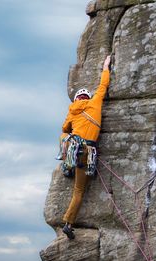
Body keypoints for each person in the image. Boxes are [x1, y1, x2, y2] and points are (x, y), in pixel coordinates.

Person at [58, 55, 111, 239]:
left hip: (73, 149)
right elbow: (103, 85)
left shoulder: (72, 110)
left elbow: (65, 129)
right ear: (87, 97)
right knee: (79, 191)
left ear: (76, 99)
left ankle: (66, 164)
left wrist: (72, 125)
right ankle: (68, 223)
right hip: (88, 153)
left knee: (64, 136)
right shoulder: (95, 102)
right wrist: (106, 65)